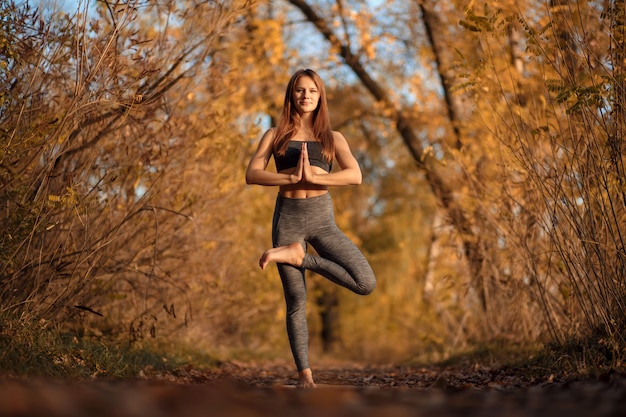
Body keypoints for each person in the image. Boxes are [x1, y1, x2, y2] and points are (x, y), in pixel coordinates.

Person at [245, 69, 377, 388]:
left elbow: (354, 175)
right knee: (296, 300)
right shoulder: (274, 134)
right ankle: (305, 374)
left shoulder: (333, 138)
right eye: (300, 90)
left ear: (320, 97)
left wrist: (318, 178)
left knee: (365, 282)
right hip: (288, 216)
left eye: (313, 91)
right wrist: (290, 178)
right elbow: (252, 174)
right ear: (291, 94)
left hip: (322, 218)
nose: (306, 96)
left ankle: (298, 257)